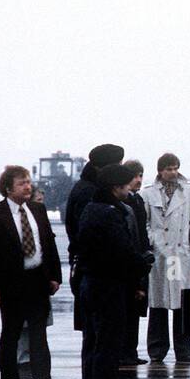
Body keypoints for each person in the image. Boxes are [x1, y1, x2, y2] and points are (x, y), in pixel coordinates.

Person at [0, 165, 63, 379]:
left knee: (39, 338)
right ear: (8, 188)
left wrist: (54, 276)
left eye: (28, 182)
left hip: (37, 281)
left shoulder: (37, 209)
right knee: (11, 337)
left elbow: (48, 243)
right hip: (10, 284)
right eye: (22, 183)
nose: (28, 186)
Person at [75, 163, 150, 379]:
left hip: (92, 284)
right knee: (107, 347)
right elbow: (122, 251)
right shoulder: (109, 214)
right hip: (108, 286)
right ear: (115, 187)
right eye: (126, 184)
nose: (130, 188)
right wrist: (143, 263)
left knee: (95, 345)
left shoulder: (91, 209)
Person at [141, 153, 190, 365]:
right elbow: (144, 221)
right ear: (160, 170)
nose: (173, 172)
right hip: (159, 254)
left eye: (175, 168)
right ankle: (157, 348)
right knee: (158, 302)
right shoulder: (148, 194)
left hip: (179, 253)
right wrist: (153, 239)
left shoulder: (189, 192)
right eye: (168, 169)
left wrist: (188, 242)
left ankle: (183, 350)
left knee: (180, 301)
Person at [65, 143, 124, 335]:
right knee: (97, 333)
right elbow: (87, 233)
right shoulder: (89, 193)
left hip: (89, 267)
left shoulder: (85, 187)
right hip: (94, 270)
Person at [118, 160, 151, 370]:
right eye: (134, 175)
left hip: (139, 259)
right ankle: (125, 351)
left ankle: (131, 349)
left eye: (141, 175)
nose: (138, 180)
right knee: (127, 308)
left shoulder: (137, 201)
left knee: (135, 309)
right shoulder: (126, 203)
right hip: (129, 261)